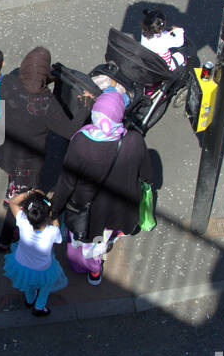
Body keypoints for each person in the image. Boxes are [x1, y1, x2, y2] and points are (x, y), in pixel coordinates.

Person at [51, 92, 153, 284]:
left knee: (81, 240)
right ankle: (94, 272)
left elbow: (67, 182)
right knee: (100, 241)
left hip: (86, 209)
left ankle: (81, 266)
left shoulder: (81, 142)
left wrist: (55, 208)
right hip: (117, 209)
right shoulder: (134, 140)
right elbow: (147, 176)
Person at [0, 46, 85, 251]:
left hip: (6, 149)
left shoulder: (7, 84)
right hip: (27, 163)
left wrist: (43, 78)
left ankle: (10, 195)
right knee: (21, 199)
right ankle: (4, 240)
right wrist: (85, 106)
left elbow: (22, 80)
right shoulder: (47, 103)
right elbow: (70, 130)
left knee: (13, 178)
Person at [1, 189, 67, 316]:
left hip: (21, 264)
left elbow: (12, 202)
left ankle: (29, 300)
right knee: (45, 287)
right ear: (47, 215)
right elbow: (57, 232)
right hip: (43, 268)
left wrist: (29, 193)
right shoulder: (52, 232)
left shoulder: (23, 221)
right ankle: (39, 307)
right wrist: (54, 217)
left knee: (28, 284)